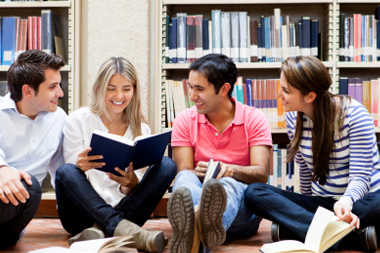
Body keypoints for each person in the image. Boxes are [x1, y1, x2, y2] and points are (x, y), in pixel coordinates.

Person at [245, 56, 380, 252]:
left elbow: (361, 177)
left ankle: (305, 230)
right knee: (253, 193)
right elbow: (306, 174)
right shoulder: (293, 118)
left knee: (372, 207)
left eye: (286, 91)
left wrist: (345, 202)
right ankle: (349, 238)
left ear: (309, 96)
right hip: (325, 205)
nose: (279, 95)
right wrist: (301, 209)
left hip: (361, 200)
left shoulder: (355, 116)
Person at [55, 57, 177, 253]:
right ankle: (127, 232)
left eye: (126, 89)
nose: (119, 95)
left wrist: (131, 183)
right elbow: (71, 184)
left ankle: (99, 232)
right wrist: (80, 166)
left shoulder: (141, 130)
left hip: (126, 211)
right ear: (98, 88)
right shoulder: (79, 120)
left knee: (167, 165)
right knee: (66, 171)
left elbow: (134, 191)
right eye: (111, 88)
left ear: (134, 90)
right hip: (80, 215)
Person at [167, 54, 273, 253]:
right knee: (184, 176)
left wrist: (229, 170)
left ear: (224, 89)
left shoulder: (255, 119)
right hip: (199, 198)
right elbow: (185, 172)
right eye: (190, 87)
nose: (192, 96)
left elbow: (261, 174)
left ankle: (192, 238)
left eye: (200, 89)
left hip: (242, 216)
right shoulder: (184, 120)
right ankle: (200, 237)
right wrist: (204, 172)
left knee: (228, 183)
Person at [0, 50, 66, 249]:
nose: (60, 93)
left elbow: (63, 171)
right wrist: (2, 169)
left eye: (59, 85)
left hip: (20, 204)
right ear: (28, 91)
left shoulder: (60, 119)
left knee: (31, 187)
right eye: (53, 87)